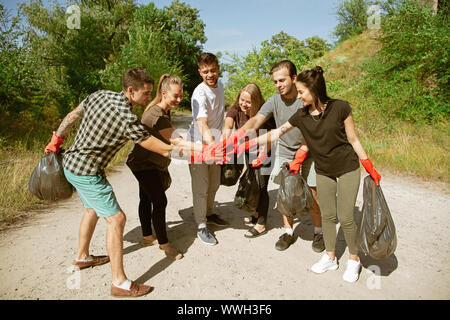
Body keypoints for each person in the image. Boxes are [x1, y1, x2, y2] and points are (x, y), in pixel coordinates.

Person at [44, 68, 189, 297]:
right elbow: (152, 144)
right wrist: (181, 151)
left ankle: (82, 257)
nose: (148, 98)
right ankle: (119, 282)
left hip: (71, 163)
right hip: (87, 172)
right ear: (131, 90)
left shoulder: (99, 94)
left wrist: (56, 140)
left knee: (91, 209)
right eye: (145, 93)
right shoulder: (126, 117)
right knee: (117, 219)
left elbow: (73, 115)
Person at [249, 66, 381, 283]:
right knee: (328, 215)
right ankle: (330, 257)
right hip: (324, 169)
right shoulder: (301, 116)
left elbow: (354, 140)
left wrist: (368, 165)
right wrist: (247, 142)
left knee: (346, 217)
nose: (298, 96)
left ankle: (354, 260)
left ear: (314, 89)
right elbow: (277, 132)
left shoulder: (340, 108)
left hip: (347, 167)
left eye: (301, 92)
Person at [223, 60, 325, 252]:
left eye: (282, 80)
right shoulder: (274, 100)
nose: (278, 85)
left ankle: (319, 232)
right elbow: (255, 121)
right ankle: (288, 232)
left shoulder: (306, 98)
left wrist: (302, 154)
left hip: (309, 152)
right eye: (275, 81)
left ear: (294, 78)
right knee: (285, 195)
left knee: (312, 196)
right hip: (285, 151)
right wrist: (234, 139)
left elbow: (314, 131)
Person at [126, 74, 202, 261]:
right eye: (175, 96)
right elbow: (175, 139)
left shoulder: (163, 110)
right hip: (143, 164)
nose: (178, 99)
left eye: (180, 96)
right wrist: (206, 148)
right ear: (164, 93)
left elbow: (173, 138)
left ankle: (147, 236)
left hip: (150, 163)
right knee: (159, 201)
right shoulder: (155, 114)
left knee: (146, 198)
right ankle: (164, 244)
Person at [222, 83, 275, 238]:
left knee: (262, 186)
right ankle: (257, 213)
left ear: (256, 102)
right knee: (253, 182)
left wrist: (263, 155)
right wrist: (225, 140)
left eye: (248, 102)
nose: (243, 104)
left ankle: (261, 224)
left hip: (265, 151)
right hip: (248, 152)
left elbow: (271, 136)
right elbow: (228, 124)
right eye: (241, 100)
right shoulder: (236, 110)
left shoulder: (265, 113)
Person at [187, 52, 229, 246]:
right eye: (205, 72)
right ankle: (201, 226)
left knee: (214, 184)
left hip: (216, 142)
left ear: (218, 68)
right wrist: (212, 146)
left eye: (212, 70)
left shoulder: (220, 85)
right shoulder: (199, 93)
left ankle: (209, 214)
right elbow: (202, 123)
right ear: (199, 72)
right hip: (198, 145)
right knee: (201, 187)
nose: (210, 74)